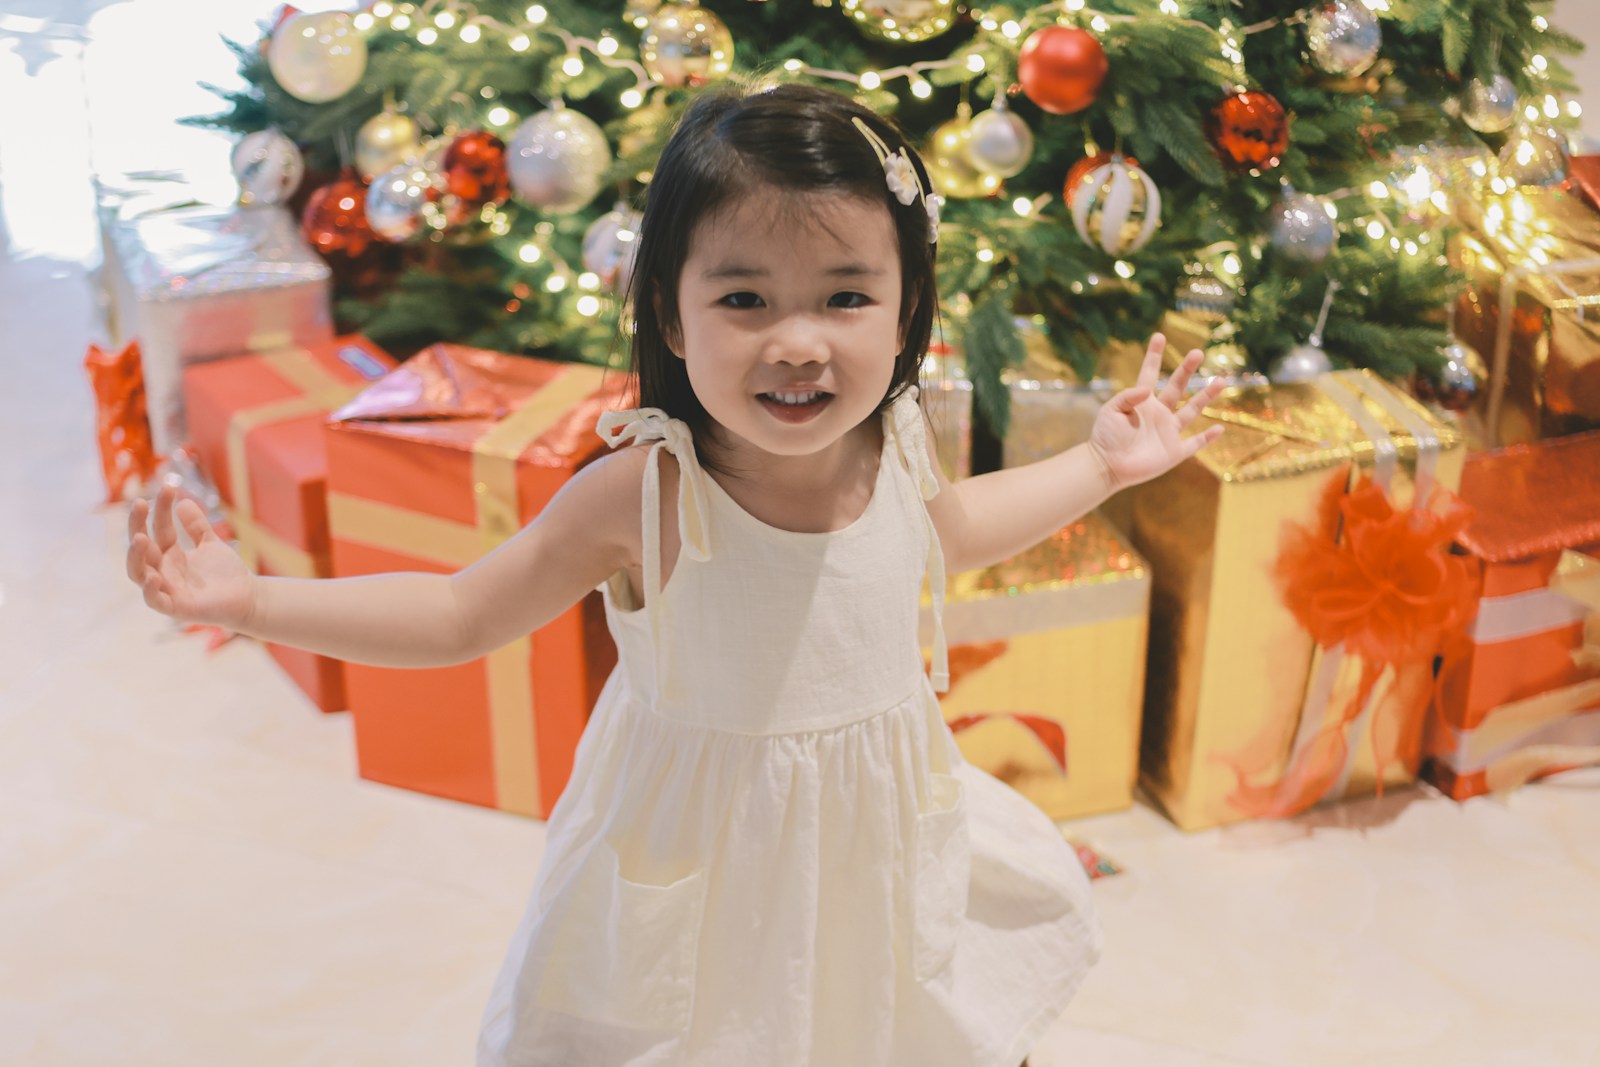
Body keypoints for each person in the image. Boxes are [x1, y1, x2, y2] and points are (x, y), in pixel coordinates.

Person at [127, 81, 1225, 1066]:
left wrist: (1097, 463)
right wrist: (256, 598)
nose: (797, 342)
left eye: (845, 297)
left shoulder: (890, 442)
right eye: (743, 300)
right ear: (670, 311)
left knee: (887, 1013)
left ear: (904, 313)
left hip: (875, 829)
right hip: (706, 863)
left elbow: (946, 533)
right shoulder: (650, 493)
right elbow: (461, 610)